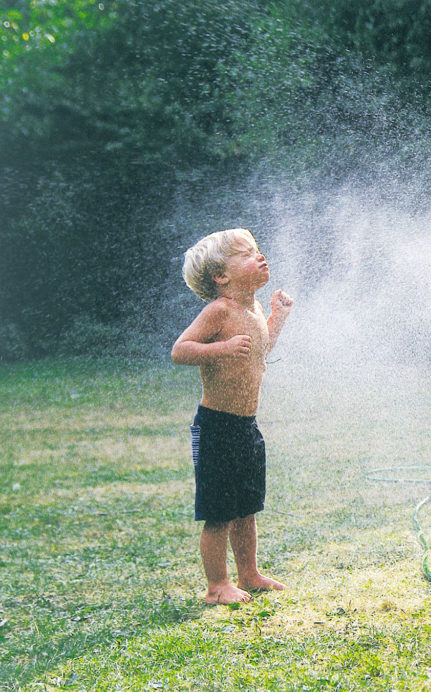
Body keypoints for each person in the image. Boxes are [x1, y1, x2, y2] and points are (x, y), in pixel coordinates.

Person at [171, 227, 294, 604]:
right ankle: (216, 586)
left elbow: (260, 347)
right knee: (219, 511)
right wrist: (221, 348)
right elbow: (180, 350)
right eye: (246, 254)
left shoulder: (253, 309)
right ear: (221, 276)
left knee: (246, 507)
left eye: (258, 250)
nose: (259, 256)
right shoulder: (219, 311)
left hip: (246, 426)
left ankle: (249, 573)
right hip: (217, 427)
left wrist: (278, 316)